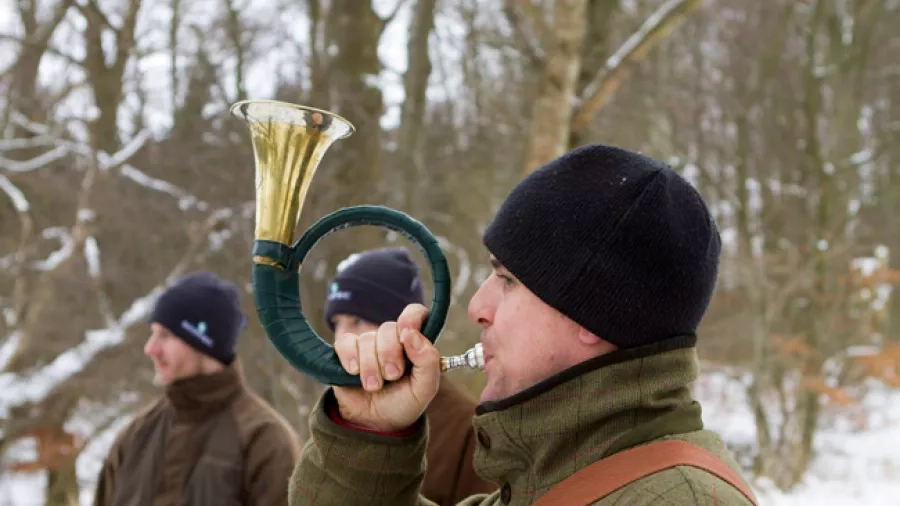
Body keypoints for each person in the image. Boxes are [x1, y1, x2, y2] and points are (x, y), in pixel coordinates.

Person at [287, 144, 758, 505]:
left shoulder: (677, 499)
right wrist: (368, 439)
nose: (477, 306)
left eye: (507, 280)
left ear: (589, 311)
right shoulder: (550, 477)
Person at [93, 271, 302, 506]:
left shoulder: (264, 439)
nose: (151, 348)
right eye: (153, 334)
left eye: (166, 335)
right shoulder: (136, 435)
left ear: (203, 342)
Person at [322, 247, 497, 505]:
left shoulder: (468, 431)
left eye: (357, 321)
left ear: (400, 327)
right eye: (336, 324)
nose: (341, 339)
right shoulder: (334, 419)